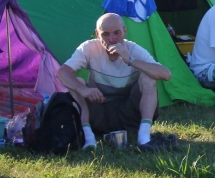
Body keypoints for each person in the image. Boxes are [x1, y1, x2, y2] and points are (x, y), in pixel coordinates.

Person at [56, 13, 173, 151]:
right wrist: (84, 90)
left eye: (116, 33)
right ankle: (89, 138)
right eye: (106, 34)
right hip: (99, 112)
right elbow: (61, 73)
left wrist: (130, 60)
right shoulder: (89, 48)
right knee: (78, 82)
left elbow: (166, 74)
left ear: (124, 31)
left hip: (128, 115)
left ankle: (144, 136)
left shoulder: (133, 50)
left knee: (149, 76)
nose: (112, 39)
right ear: (97, 34)